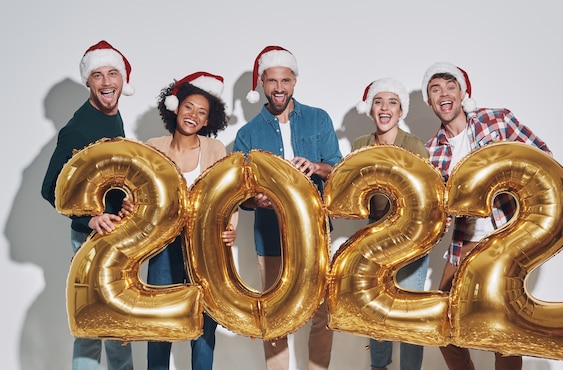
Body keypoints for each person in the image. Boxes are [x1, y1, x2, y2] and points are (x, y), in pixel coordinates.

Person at [421, 61, 552, 370]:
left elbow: (543, 158)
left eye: (450, 87)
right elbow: (438, 210)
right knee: (441, 322)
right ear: (429, 102)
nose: (443, 94)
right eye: (435, 90)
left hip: (507, 240)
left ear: (463, 93)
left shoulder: (497, 121)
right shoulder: (431, 151)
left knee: (501, 326)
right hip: (463, 246)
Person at [232, 45, 342, 370]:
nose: (279, 88)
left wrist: (316, 166)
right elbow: (239, 193)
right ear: (262, 84)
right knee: (275, 314)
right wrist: (257, 199)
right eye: (272, 81)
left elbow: (337, 168)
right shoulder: (247, 134)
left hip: (315, 236)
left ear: (294, 81)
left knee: (323, 312)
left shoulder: (319, 119)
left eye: (286, 80)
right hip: (270, 238)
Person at [41, 40, 135, 370]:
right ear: (88, 81)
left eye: (113, 73)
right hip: (90, 239)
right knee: (92, 327)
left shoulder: (113, 116)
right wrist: (92, 217)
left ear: (123, 79)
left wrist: (123, 202)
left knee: (120, 324)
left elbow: (104, 176)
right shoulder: (78, 129)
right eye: (98, 75)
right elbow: (50, 188)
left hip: (117, 237)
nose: (107, 82)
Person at [145, 71, 238, 370]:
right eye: (189, 107)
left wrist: (230, 228)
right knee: (160, 322)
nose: (193, 115)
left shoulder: (215, 150)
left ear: (209, 121)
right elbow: (141, 192)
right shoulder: (153, 146)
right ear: (175, 107)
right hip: (162, 248)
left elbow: (229, 194)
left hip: (205, 247)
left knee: (203, 323)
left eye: (202, 112)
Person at [353, 78, 430, 370]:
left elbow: (425, 198)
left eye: (392, 102)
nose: (385, 108)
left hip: (411, 242)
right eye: (379, 102)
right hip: (373, 242)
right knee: (376, 311)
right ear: (371, 109)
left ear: (401, 111)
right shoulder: (361, 144)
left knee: (408, 313)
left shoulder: (415, 147)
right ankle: (379, 366)